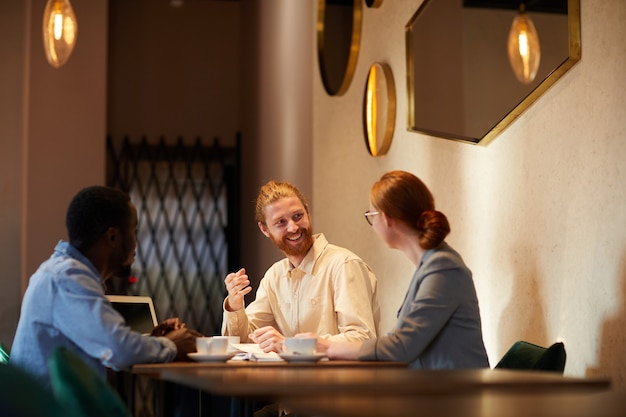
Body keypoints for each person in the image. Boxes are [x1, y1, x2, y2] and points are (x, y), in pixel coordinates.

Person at [10, 186, 202, 389]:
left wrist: (151, 342)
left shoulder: (63, 272)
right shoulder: (68, 277)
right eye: (134, 232)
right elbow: (118, 349)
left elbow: (108, 345)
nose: (136, 243)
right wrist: (171, 346)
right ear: (112, 237)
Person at [314, 170, 489, 369]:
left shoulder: (443, 268)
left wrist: (328, 348)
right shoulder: (432, 265)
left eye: (371, 216)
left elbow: (402, 347)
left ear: (387, 219)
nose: (373, 225)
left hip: (456, 395)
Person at [222, 180, 380, 353]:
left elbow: (362, 339)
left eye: (298, 216)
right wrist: (235, 305)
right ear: (265, 229)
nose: (293, 227)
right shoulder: (274, 276)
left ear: (308, 212)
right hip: (291, 379)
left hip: (338, 378)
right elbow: (244, 341)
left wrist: (288, 344)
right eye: (281, 222)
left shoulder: (344, 265)